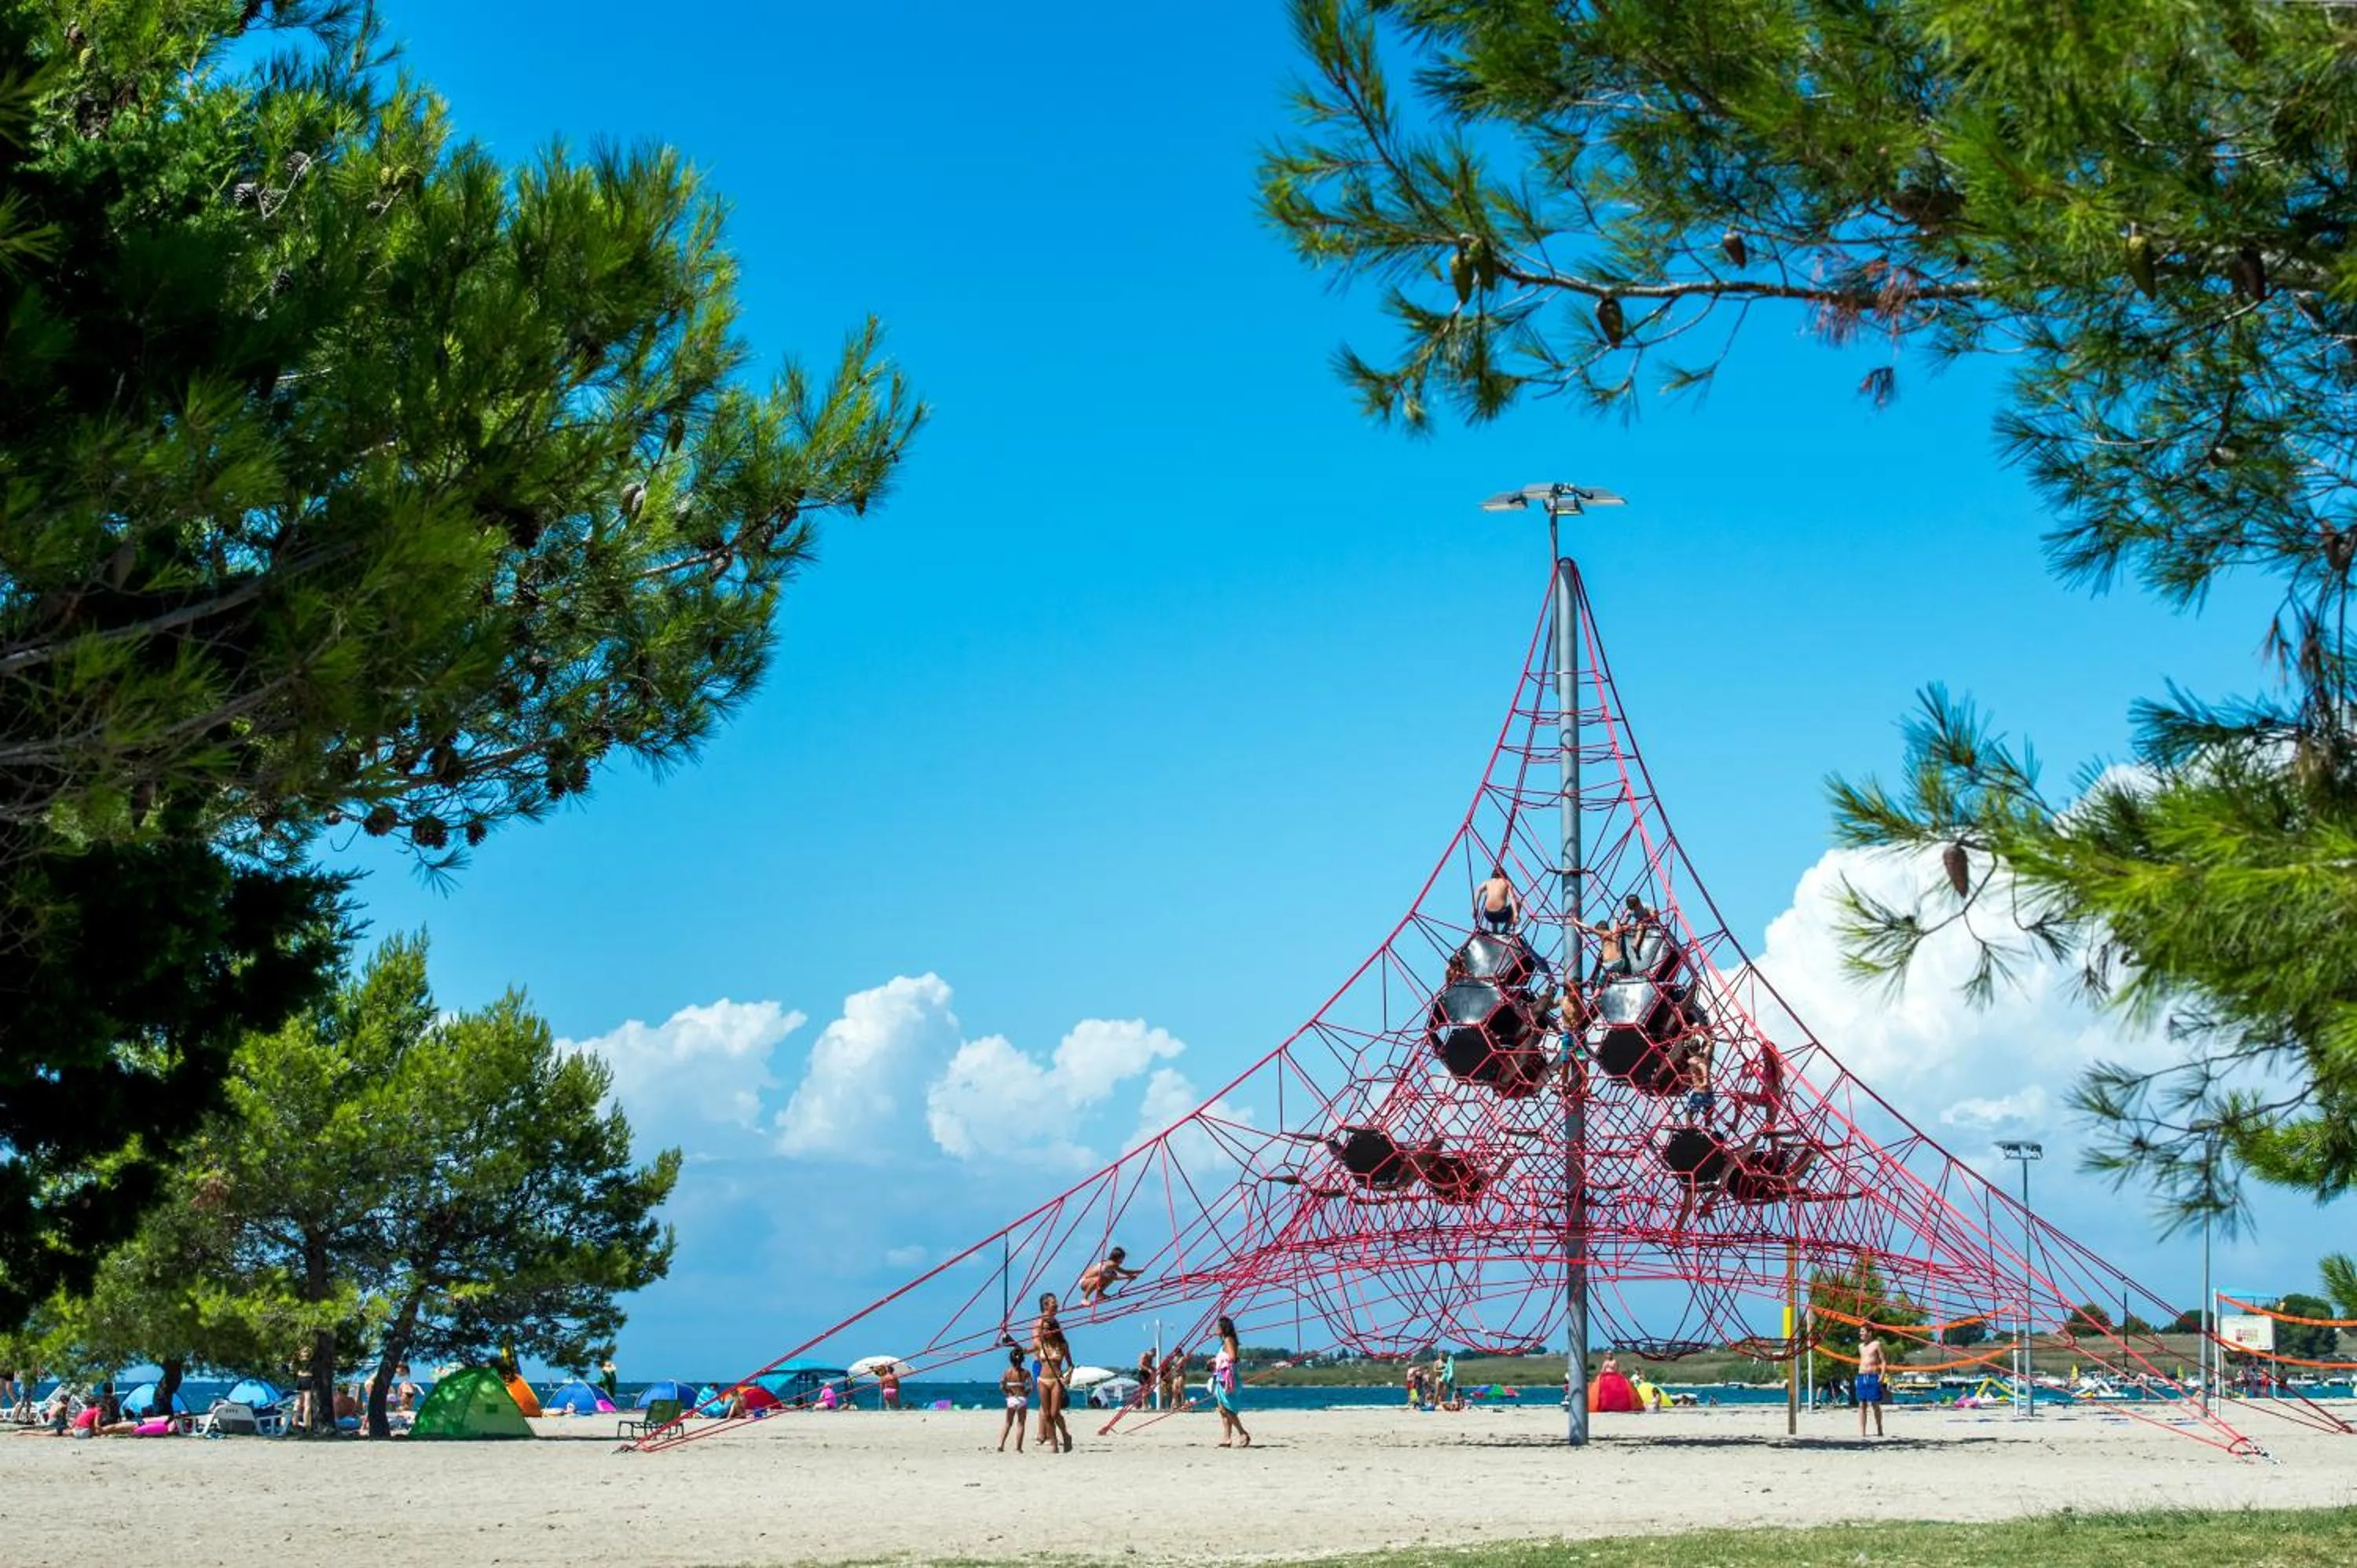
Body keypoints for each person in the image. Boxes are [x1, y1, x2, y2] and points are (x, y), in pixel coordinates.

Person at [1032, 1293, 1073, 1453]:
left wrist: (1066, 1377)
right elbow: (1036, 1342)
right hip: (1042, 1367)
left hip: (1056, 1375)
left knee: (1053, 1412)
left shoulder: (1057, 1330)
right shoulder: (1039, 1324)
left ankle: (1050, 1435)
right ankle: (1048, 1439)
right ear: (1045, 1306)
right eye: (1054, 1305)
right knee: (1046, 1411)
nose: (1057, 1306)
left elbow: (1070, 1362)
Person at [1209, 1317, 1251, 1448]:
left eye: (1218, 1327)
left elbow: (1232, 1357)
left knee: (1226, 1408)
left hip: (1228, 1378)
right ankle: (1227, 1438)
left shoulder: (1228, 1340)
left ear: (1223, 1328)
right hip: (1223, 1377)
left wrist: (1217, 1361)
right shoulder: (1225, 1342)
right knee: (1222, 1409)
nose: (1216, 1329)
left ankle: (1242, 1433)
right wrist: (1214, 1360)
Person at [1076, 1246, 1144, 1305]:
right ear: (1119, 1258)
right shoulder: (1112, 1264)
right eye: (1122, 1259)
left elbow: (1114, 1278)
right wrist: (1139, 1271)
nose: (1122, 1261)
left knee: (1112, 1275)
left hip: (1091, 1281)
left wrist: (1127, 1277)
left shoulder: (1109, 1266)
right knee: (1101, 1278)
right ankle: (1084, 1298)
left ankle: (1099, 1293)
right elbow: (1125, 1272)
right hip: (1085, 1282)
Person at [997, 1349, 1030, 1452]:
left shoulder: (1007, 1372)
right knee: (1021, 1423)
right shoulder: (1026, 1372)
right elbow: (1031, 1386)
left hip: (1011, 1399)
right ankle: (1018, 1448)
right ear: (1022, 1360)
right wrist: (1026, 1394)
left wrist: (1008, 1393)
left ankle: (1001, 1445)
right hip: (1021, 1398)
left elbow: (1002, 1386)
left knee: (1008, 1423)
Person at [1857, 1328, 1887, 1438]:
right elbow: (1862, 1361)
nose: (1860, 1334)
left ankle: (1879, 1428)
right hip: (1861, 1375)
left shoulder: (1876, 1344)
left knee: (1875, 1404)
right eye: (1860, 1332)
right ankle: (1862, 1432)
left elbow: (1883, 1361)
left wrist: (1882, 1375)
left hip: (1873, 1376)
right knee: (1862, 1404)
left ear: (1869, 1333)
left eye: (1863, 1331)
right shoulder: (1860, 1346)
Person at [1475, 866, 1521, 932]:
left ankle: (1495, 931)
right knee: (1518, 904)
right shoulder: (1507, 882)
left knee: (1493, 905)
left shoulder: (1487, 882)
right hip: (1501, 915)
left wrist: (1475, 907)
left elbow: (1478, 891)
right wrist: (1516, 914)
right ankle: (1505, 930)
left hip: (1488, 915)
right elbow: (1512, 898)